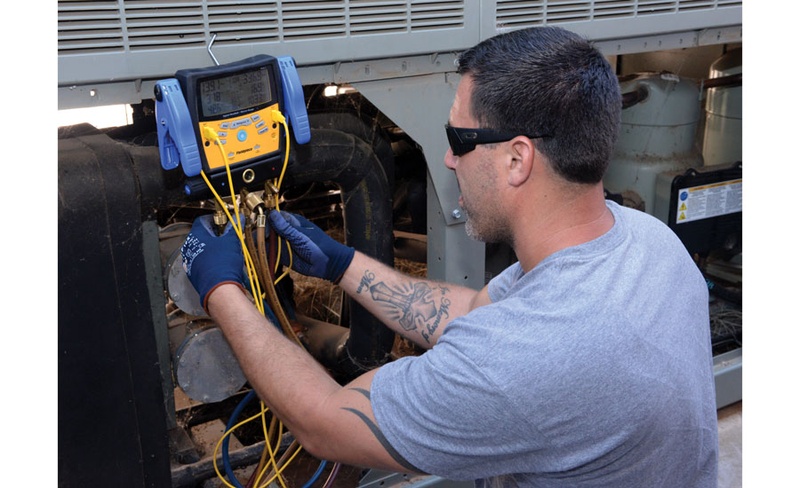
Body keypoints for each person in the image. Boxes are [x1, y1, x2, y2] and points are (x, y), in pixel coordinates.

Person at [181, 26, 718, 487]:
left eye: (458, 138)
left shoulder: (522, 362)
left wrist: (220, 288)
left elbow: (324, 422)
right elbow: (472, 313)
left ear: (517, 158)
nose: (447, 158)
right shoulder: (646, 240)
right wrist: (342, 264)